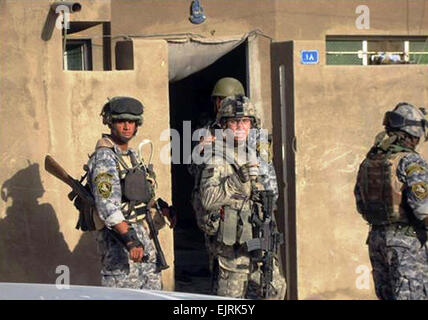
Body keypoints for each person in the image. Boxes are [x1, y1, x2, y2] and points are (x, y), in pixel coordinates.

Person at [197, 95, 286, 299]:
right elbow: (208, 199)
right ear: (223, 125)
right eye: (234, 122)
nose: (239, 127)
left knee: (275, 289)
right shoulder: (216, 157)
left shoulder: (253, 155)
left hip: (258, 243)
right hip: (232, 251)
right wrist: (237, 180)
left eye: (245, 121)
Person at [87, 96, 173, 289]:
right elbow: (107, 206)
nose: (127, 126)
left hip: (144, 239)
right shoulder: (105, 158)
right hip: (120, 246)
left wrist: (163, 208)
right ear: (110, 122)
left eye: (131, 121)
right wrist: (129, 239)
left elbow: (142, 194)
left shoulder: (132, 156)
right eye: (120, 121)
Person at [354, 102, 428, 300]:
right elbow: (423, 209)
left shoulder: (370, 161)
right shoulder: (410, 161)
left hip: (377, 239)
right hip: (406, 245)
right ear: (413, 132)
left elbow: (360, 203)